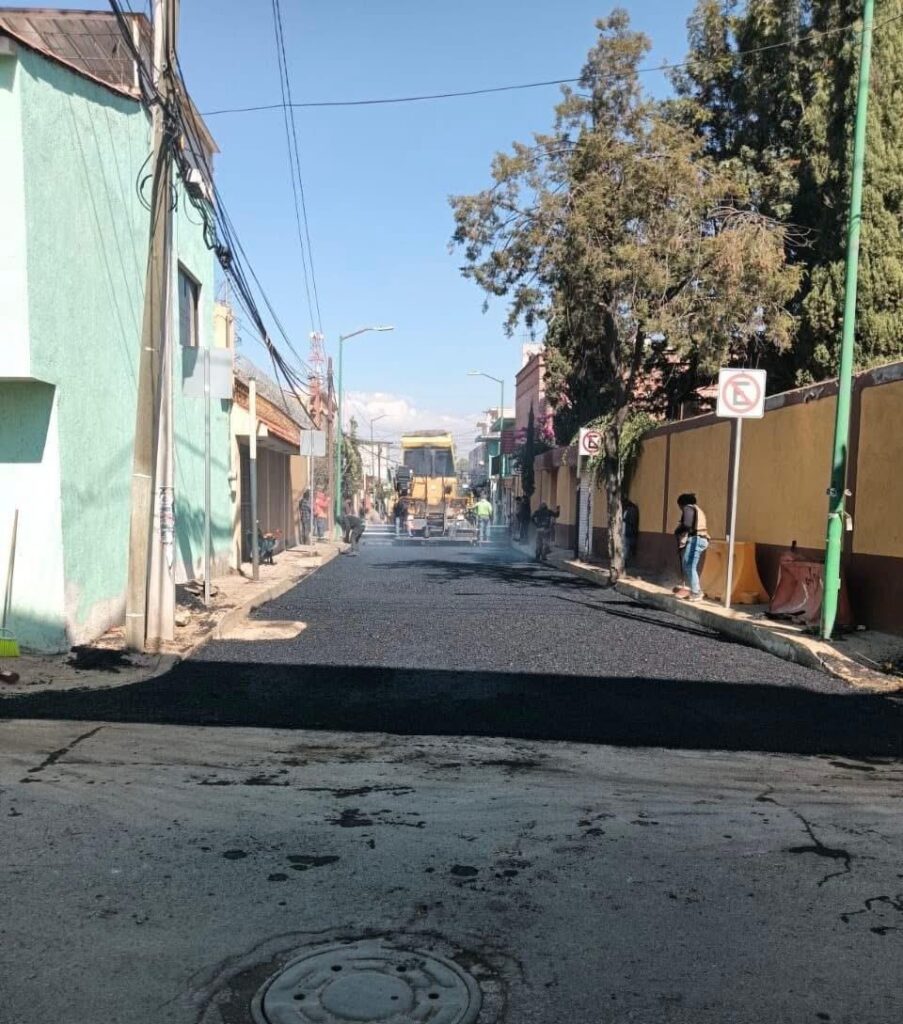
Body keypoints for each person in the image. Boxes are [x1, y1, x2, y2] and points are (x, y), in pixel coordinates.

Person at [674, 492, 709, 600]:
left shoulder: (688, 508)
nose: (680, 509)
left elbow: (687, 525)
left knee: (689, 566)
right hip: (700, 539)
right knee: (688, 565)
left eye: (679, 506)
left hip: (696, 539)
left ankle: (696, 592)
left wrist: (678, 530)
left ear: (682, 503)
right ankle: (694, 589)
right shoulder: (697, 509)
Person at [622, 498, 639, 568]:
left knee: (626, 547)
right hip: (627, 531)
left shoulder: (631, 510)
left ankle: (625, 561)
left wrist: (625, 520)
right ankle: (624, 561)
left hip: (628, 531)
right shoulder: (629, 510)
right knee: (626, 547)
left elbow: (631, 521)